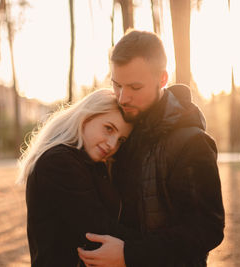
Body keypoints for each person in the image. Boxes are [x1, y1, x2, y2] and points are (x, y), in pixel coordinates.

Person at [78, 30, 225, 266]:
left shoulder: (192, 143)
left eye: (135, 87)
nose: (123, 98)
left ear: (163, 79)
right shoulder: (121, 134)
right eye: (117, 85)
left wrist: (129, 255)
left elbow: (207, 229)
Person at [17, 89, 136, 267]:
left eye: (121, 140)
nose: (112, 144)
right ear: (86, 118)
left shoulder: (89, 164)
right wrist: (157, 247)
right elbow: (99, 232)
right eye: (108, 128)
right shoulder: (58, 163)